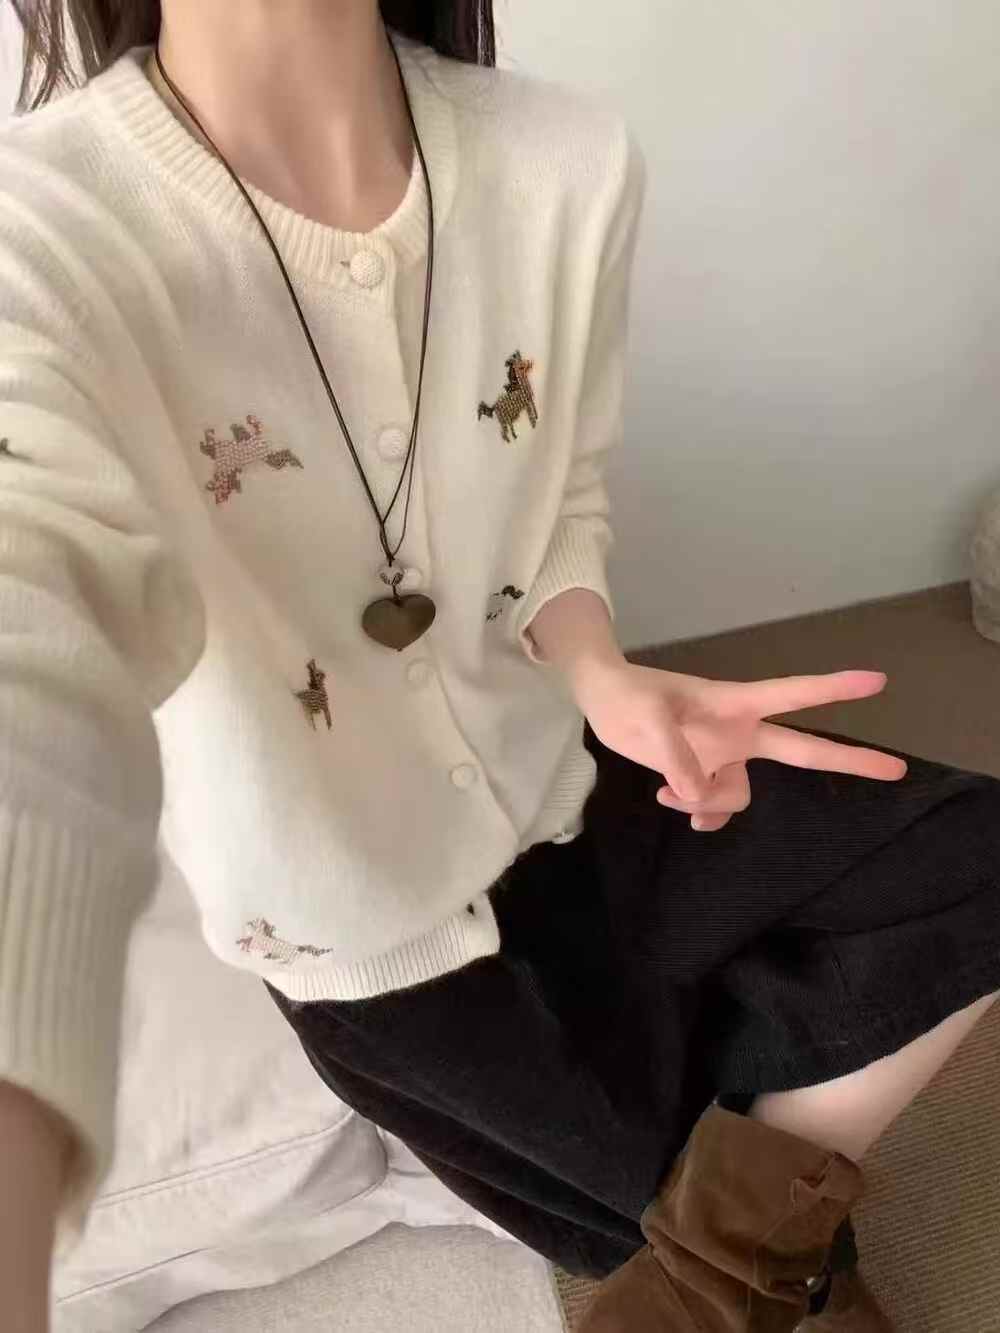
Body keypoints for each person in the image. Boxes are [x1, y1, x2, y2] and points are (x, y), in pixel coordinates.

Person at [1, 3, 998, 1330]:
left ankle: (725, 1262)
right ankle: (758, 1261)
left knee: (969, 858)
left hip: (574, 794)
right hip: (370, 944)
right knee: (642, 1187)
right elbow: (35, 641)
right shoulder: (42, 234)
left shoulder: (559, 161)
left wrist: (602, 673)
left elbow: (559, 499)